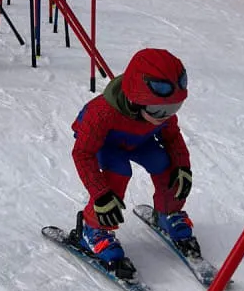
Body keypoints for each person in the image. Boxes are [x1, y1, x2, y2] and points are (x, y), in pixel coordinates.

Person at [71, 48, 198, 276]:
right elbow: (82, 154)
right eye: (158, 110)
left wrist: (182, 166)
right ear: (134, 100)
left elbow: (172, 138)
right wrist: (100, 194)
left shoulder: (160, 112)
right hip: (107, 144)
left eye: (174, 107)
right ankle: (92, 229)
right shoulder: (100, 114)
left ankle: (167, 212)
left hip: (140, 140)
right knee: (118, 173)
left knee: (164, 164)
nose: (166, 115)